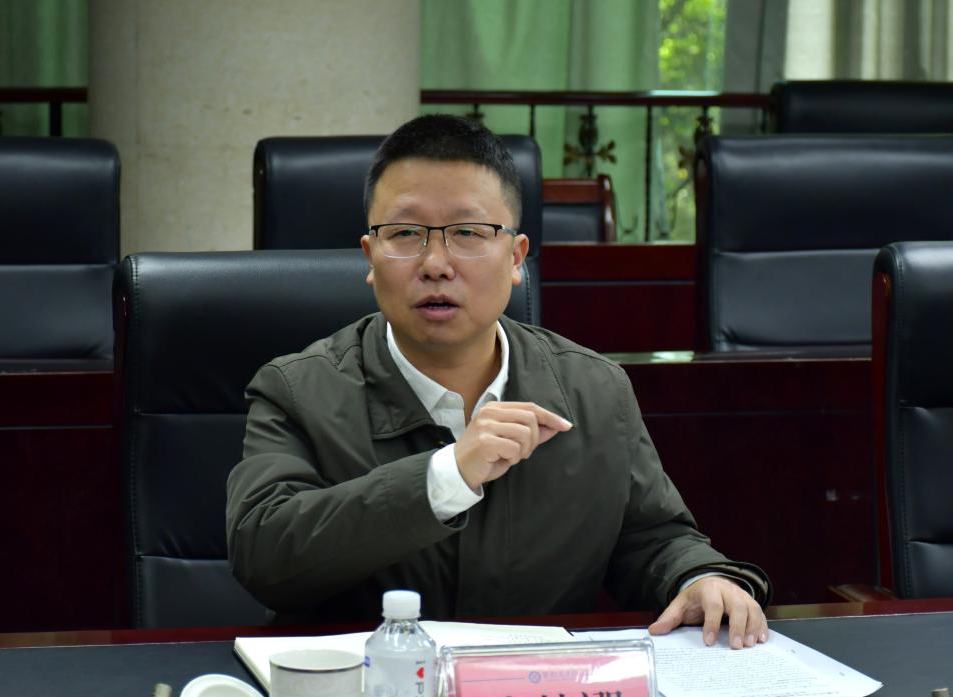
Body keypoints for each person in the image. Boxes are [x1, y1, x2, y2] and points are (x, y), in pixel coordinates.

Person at [227, 115, 771, 649]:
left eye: (468, 233)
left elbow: (652, 537)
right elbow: (264, 555)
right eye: (405, 234)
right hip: (370, 693)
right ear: (371, 258)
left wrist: (697, 577)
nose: (435, 264)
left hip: (538, 692)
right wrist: (445, 476)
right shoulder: (296, 391)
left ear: (516, 258)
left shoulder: (594, 389)